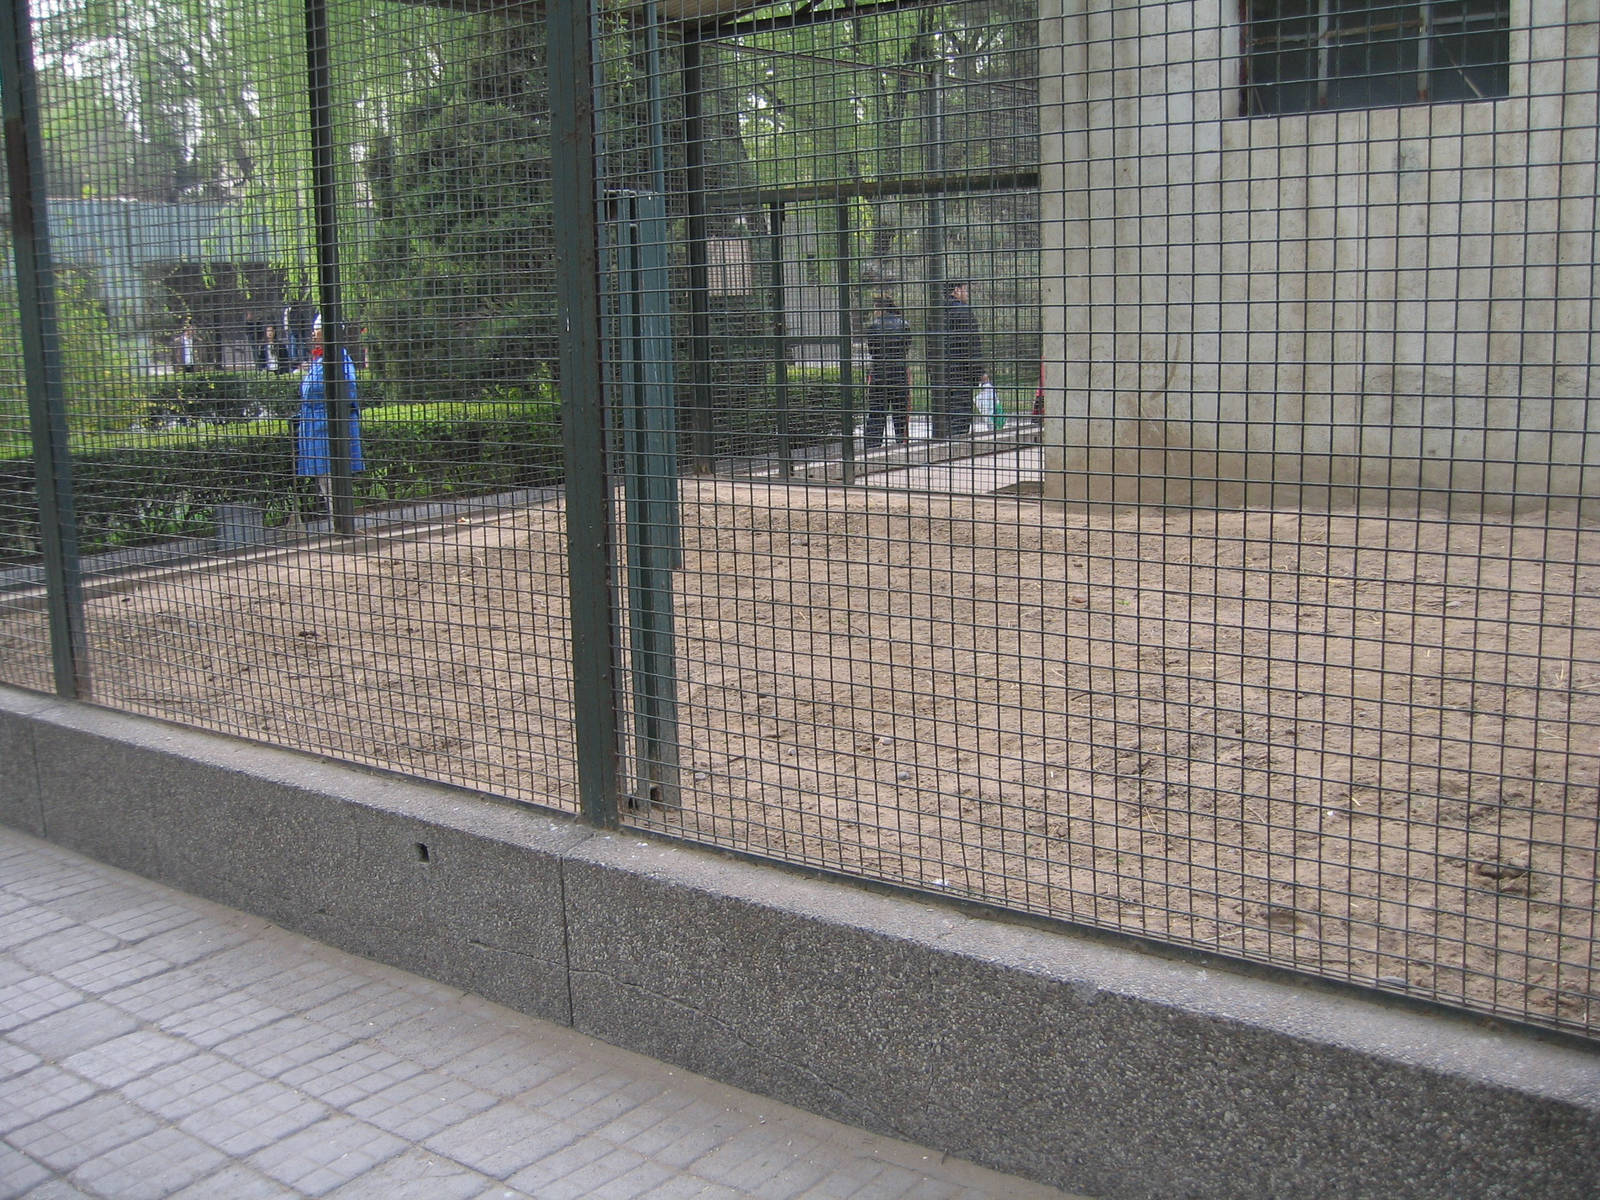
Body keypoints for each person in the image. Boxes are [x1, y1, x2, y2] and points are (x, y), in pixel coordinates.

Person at [295, 317, 364, 521]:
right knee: (324, 479)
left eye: (317, 330)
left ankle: (343, 521)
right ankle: (338, 519)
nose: (313, 334)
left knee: (334, 477)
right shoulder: (321, 358)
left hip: (327, 426)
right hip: (315, 425)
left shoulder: (339, 357)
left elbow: (347, 389)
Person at [863, 294, 912, 449]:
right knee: (900, 413)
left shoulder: (873, 327)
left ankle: (872, 447)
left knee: (876, 413)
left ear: (879, 308)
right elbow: (906, 347)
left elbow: (872, 350)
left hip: (880, 374)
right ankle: (902, 445)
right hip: (899, 374)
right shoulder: (904, 324)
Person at [937, 281, 985, 438]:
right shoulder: (964, 311)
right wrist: (979, 371)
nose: (967, 294)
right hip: (961, 374)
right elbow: (970, 345)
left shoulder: (937, 313)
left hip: (941, 375)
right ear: (956, 290)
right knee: (960, 417)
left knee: (943, 417)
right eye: (965, 290)